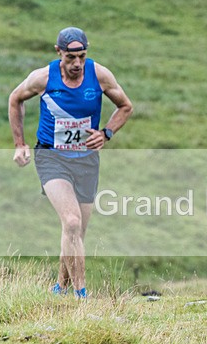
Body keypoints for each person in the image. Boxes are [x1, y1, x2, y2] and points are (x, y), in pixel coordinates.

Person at [8, 27, 133, 298]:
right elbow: (15, 99)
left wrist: (106, 133)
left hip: (86, 160)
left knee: (76, 232)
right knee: (72, 222)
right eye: (71, 58)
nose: (77, 64)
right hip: (51, 157)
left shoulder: (99, 75)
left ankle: (59, 288)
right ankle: (81, 296)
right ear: (59, 53)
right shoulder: (43, 77)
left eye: (82, 57)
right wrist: (20, 143)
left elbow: (125, 106)